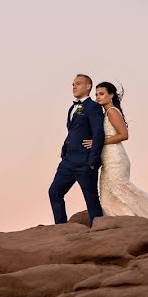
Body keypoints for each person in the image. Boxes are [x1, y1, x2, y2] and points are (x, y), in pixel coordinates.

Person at [82, 82, 148, 222]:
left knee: (120, 190)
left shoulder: (112, 111)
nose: (98, 98)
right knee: (109, 194)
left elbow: (124, 135)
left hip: (116, 158)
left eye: (101, 94)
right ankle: (122, 221)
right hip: (107, 159)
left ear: (111, 95)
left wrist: (98, 142)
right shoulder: (105, 113)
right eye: (96, 95)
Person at [48, 74, 105, 225]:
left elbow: (98, 133)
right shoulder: (73, 108)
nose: (74, 86)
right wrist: (64, 152)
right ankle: (61, 227)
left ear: (88, 87)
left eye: (78, 84)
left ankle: (99, 229)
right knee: (54, 192)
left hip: (85, 163)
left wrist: (92, 162)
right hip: (67, 162)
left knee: (91, 198)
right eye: (73, 84)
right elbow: (72, 131)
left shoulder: (94, 107)